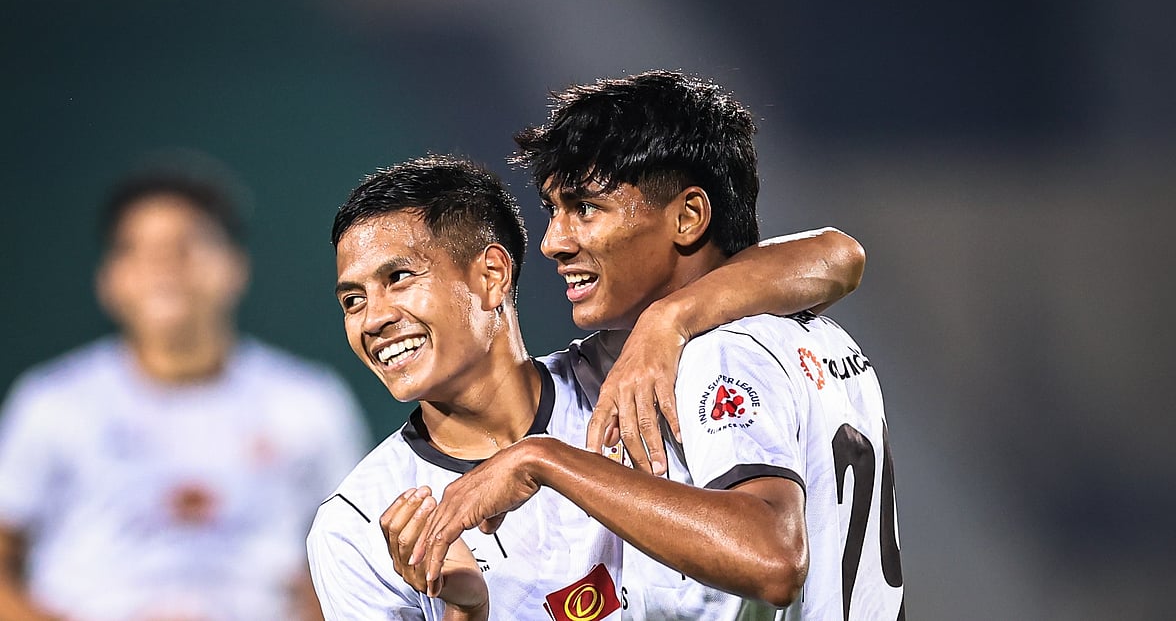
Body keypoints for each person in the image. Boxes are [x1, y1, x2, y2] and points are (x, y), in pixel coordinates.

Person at [406, 70, 904, 619]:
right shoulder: (811, 327)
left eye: (586, 208)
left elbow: (773, 558)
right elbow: (839, 253)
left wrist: (541, 459)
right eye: (553, 210)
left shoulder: (718, 353)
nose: (553, 242)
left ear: (688, 217)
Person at [306, 154, 864, 619]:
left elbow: (835, 256)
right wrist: (468, 612)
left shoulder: (634, 373)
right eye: (352, 300)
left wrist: (667, 319)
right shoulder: (355, 525)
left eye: (398, 278)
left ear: (491, 275)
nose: (372, 319)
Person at [0, 171, 370, 621]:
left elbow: (355, 562)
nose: (163, 267)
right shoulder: (51, 404)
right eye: (137, 249)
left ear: (235, 266)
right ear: (109, 279)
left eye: (186, 246)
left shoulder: (310, 404)